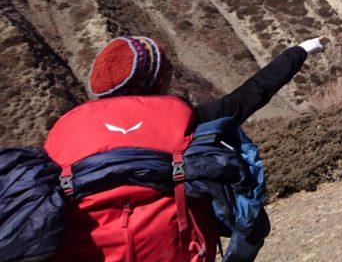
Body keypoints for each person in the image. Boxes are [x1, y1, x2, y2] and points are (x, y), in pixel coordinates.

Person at [43, 35, 326, 262]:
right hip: (179, 250)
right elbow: (253, 93)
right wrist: (300, 50)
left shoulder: (64, 134)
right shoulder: (186, 120)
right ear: (157, 80)